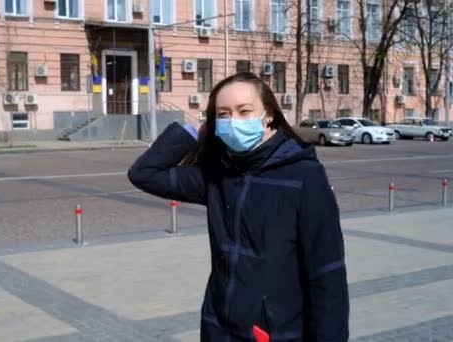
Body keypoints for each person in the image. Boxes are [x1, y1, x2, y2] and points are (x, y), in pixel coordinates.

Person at [128, 72, 349, 341]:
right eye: (223, 114)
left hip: (273, 332)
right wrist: (193, 133)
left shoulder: (304, 176)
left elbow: (326, 272)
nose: (233, 121)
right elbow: (145, 173)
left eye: (244, 111)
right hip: (218, 328)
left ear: (268, 114)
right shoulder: (218, 174)